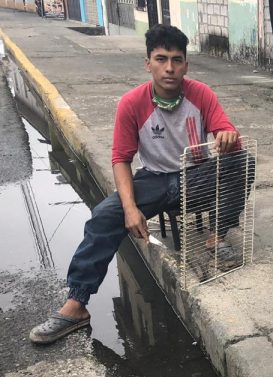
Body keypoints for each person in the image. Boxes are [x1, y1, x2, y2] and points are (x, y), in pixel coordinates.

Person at [29, 24, 238, 344]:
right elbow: (121, 159)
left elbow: (226, 130)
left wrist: (227, 135)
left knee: (242, 162)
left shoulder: (201, 95)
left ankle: (216, 236)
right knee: (103, 216)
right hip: (153, 180)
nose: (170, 68)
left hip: (195, 177)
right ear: (148, 63)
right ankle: (76, 304)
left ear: (186, 64)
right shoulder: (132, 103)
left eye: (177, 60)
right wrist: (129, 208)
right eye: (161, 58)